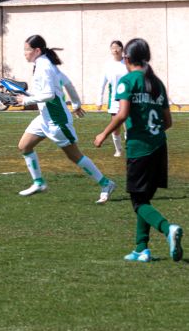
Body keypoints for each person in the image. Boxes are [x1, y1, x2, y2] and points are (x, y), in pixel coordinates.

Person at [94, 38, 181, 262]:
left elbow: (121, 115)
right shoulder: (157, 83)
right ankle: (141, 249)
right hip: (159, 147)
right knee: (144, 199)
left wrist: (103, 134)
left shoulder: (128, 80)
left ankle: (167, 228)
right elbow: (168, 122)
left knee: (138, 202)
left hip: (139, 149)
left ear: (127, 58)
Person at [15, 35, 116, 203]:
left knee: (75, 156)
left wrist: (26, 100)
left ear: (37, 50)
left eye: (27, 49)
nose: (24, 53)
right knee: (24, 146)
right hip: (45, 118)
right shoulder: (43, 64)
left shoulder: (45, 66)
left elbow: (49, 94)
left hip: (57, 120)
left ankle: (106, 184)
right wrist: (76, 104)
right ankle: (39, 182)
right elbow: (67, 83)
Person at [98, 40, 127, 157]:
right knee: (115, 127)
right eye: (112, 47)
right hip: (114, 100)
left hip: (127, 99)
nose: (115, 49)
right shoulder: (108, 65)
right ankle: (118, 150)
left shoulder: (128, 62)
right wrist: (99, 101)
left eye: (117, 47)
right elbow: (102, 83)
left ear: (122, 49)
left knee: (128, 126)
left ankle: (129, 148)